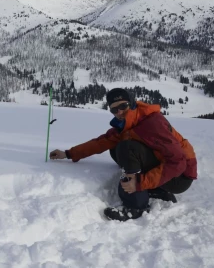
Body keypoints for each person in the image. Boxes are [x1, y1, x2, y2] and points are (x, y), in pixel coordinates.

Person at [49, 88, 197, 221]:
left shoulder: (153, 124)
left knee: (126, 148)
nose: (119, 111)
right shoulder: (128, 123)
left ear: (132, 103)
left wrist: (139, 182)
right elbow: (102, 142)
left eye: (123, 106)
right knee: (117, 147)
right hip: (170, 170)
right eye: (114, 109)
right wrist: (68, 154)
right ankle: (159, 191)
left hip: (180, 177)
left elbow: (178, 162)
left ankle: (136, 206)